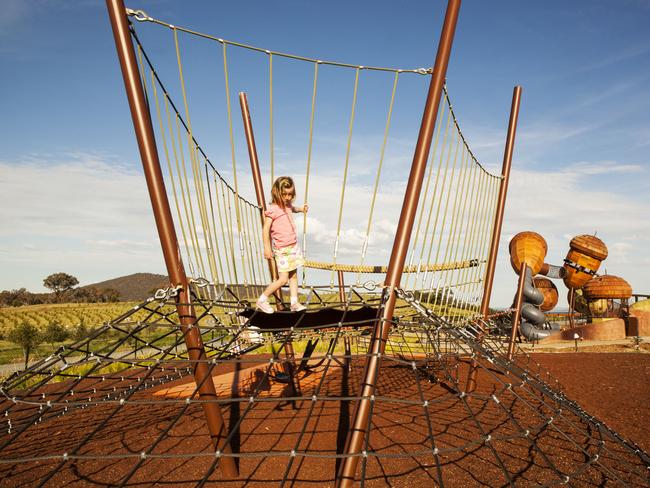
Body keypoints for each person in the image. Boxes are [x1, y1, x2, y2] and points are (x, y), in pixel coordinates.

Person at [256, 176, 308, 313]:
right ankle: (262, 299)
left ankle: (294, 303)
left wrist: (301, 209)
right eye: (284, 194)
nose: (287, 197)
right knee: (283, 279)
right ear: (276, 192)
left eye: (290, 194)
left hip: (293, 247)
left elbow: (293, 209)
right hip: (282, 249)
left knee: (294, 276)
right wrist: (267, 248)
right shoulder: (273, 209)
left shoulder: (288, 205)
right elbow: (265, 229)